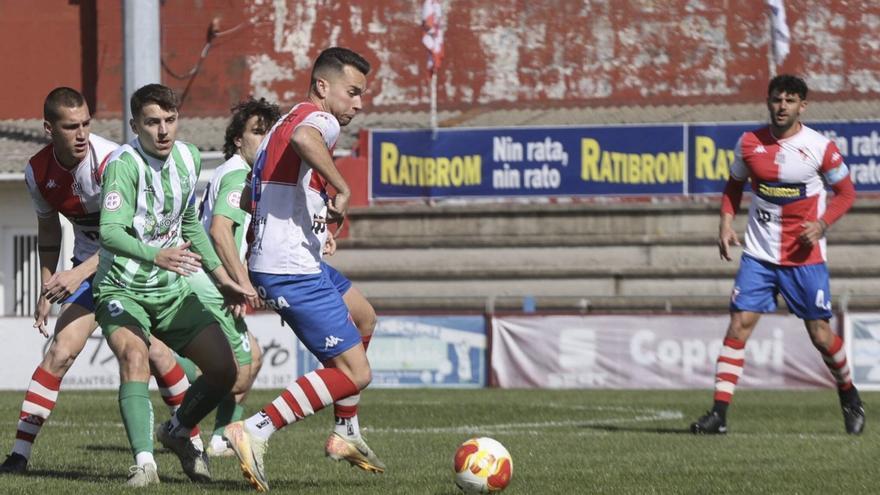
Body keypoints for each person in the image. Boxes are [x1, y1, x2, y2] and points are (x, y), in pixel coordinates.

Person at [0, 87, 199, 474]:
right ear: (47, 129)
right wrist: (48, 284)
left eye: (86, 124)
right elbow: (49, 230)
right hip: (92, 271)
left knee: (156, 354)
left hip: (135, 269)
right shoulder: (37, 173)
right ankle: (19, 455)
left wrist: (75, 274)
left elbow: (126, 236)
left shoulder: (111, 160)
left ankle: (192, 443)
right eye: (71, 126)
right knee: (60, 351)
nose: (81, 134)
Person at [222, 47, 382, 492]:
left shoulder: (286, 117)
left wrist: (316, 219)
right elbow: (304, 143)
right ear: (323, 87)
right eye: (352, 92)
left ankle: (345, 431)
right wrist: (343, 186)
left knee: (365, 316)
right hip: (290, 267)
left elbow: (258, 194)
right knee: (357, 373)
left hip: (295, 256)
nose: (358, 104)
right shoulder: (319, 121)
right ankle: (254, 429)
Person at [93, 83, 252, 486]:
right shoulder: (123, 164)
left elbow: (189, 225)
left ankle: (178, 431)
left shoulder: (189, 157)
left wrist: (223, 279)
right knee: (135, 358)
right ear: (135, 125)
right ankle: (144, 463)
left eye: (169, 120)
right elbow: (109, 232)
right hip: (122, 289)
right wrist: (155, 254)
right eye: (152, 122)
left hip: (171, 290)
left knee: (224, 370)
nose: (163, 130)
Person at [691, 74, 862, 435]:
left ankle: (849, 395)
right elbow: (734, 185)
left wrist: (822, 224)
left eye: (789, 100)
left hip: (805, 257)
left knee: (820, 335)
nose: (781, 106)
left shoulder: (820, 147)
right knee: (739, 325)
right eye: (776, 99)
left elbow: (846, 193)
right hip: (759, 254)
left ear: (803, 106)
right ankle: (719, 415)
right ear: (768, 102)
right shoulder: (749, 142)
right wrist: (725, 225)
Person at [186, 97, 280, 457]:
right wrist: (239, 283)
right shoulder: (238, 174)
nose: (265, 140)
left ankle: (220, 437)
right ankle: (184, 422)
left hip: (211, 281)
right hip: (210, 283)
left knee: (246, 361)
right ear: (238, 140)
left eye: (270, 134)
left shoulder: (240, 174)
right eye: (257, 132)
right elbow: (220, 231)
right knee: (243, 365)